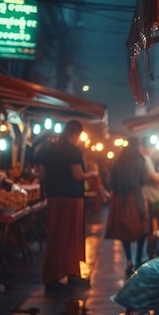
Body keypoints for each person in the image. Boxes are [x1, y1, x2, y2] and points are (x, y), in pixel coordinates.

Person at [38, 120, 98, 292]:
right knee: (71, 235)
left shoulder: (49, 149)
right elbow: (77, 174)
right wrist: (91, 174)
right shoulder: (74, 151)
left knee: (56, 235)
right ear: (75, 134)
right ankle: (65, 275)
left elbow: (41, 173)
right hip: (71, 199)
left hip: (54, 198)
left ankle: (57, 275)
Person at [105, 137, 150, 277]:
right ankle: (138, 261)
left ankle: (129, 260)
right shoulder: (140, 161)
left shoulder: (118, 162)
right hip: (135, 199)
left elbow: (111, 183)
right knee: (141, 228)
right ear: (137, 146)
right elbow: (144, 180)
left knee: (125, 229)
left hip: (120, 201)